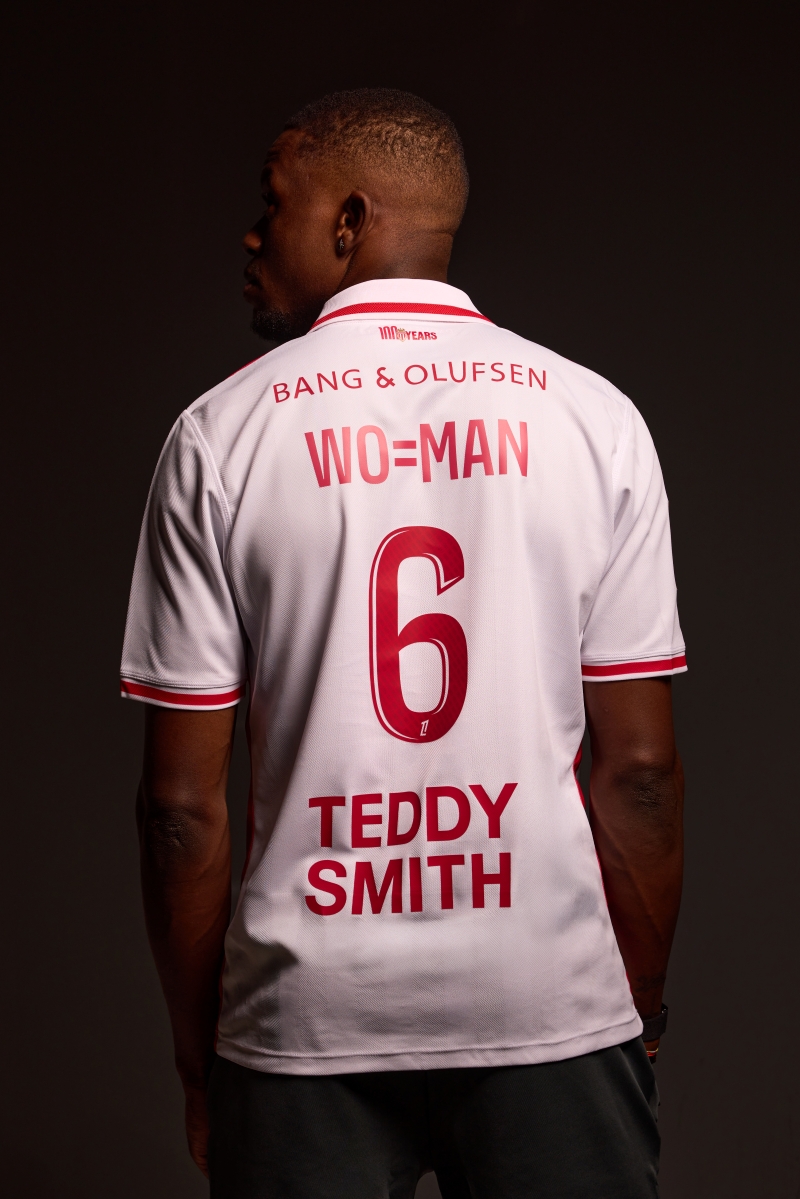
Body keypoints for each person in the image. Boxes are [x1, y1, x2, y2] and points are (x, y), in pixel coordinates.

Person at [122, 89, 685, 1198]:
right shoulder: (595, 420)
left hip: (301, 1020)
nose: (250, 235)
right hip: (548, 1005)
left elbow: (181, 809)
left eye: (270, 202)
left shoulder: (218, 437)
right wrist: (636, 1011)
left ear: (348, 221)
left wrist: (202, 1059)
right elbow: (641, 776)